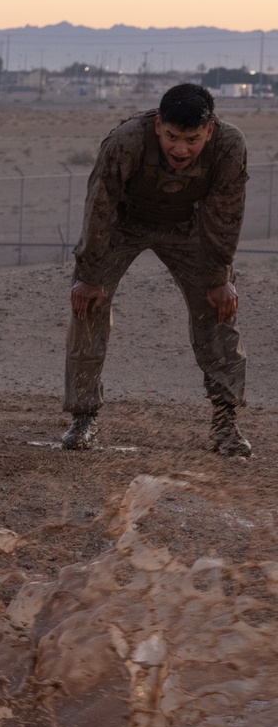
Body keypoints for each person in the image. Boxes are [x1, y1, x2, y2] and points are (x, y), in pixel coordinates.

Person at [63, 82, 250, 456]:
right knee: (89, 307)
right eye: (173, 137)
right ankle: (83, 418)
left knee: (218, 308)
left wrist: (220, 277)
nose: (181, 149)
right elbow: (99, 205)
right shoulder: (127, 140)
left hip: (188, 226)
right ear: (158, 125)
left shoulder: (229, 145)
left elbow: (226, 212)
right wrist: (89, 274)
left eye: (193, 139)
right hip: (123, 223)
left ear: (209, 130)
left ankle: (226, 423)